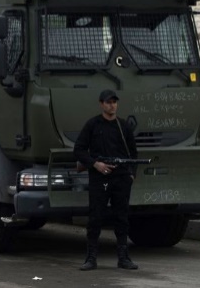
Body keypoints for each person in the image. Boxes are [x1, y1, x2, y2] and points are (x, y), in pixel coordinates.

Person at [74, 89, 139, 271]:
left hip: (120, 178)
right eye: (108, 102)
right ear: (101, 104)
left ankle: (123, 257)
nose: (112, 105)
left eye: (114, 102)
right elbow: (78, 150)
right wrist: (95, 164)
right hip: (99, 178)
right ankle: (91, 258)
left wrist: (131, 174)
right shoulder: (93, 125)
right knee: (95, 218)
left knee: (121, 218)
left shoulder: (123, 126)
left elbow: (133, 154)